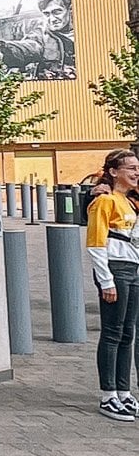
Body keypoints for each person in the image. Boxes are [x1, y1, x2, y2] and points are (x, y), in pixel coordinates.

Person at [86, 149, 139, 419]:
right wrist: (106, 280)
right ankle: (108, 395)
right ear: (114, 171)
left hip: (133, 269)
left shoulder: (130, 201)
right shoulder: (104, 201)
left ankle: (124, 391)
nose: (136, 172)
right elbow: (96, 242)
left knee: (127, 332)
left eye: (137, 167)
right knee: (112, 332)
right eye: (130, 167)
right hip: (116, 269)